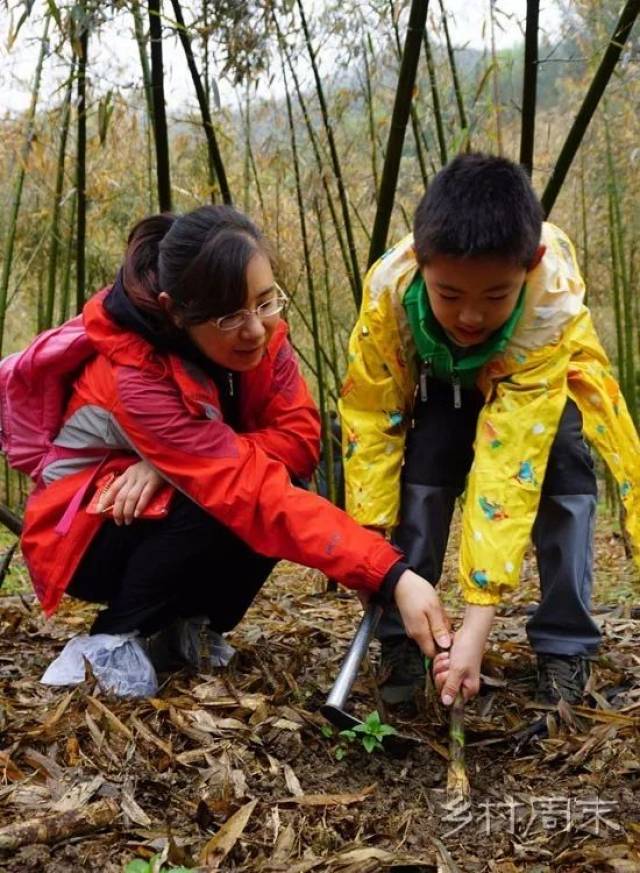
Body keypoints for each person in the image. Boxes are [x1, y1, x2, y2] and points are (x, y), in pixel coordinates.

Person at [20, 205, 452, 696]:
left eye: (265, 302)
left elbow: (299, 439)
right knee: (222, 498)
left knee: (272, 479)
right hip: (86, 532)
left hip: (160, 500)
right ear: (176, 311)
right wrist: (391, 573)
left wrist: (170, 467)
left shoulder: (266, 337)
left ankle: (191, 623)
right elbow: (246, 491)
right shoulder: (136, 375)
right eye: (229, 315)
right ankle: (116, 634)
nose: (255, 329)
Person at [339, 153, 640, 709]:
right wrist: (372, 549)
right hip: (441, 383)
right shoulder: (388, 291)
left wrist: (479, 620)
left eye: (495, 296)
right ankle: (405, 635)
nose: (471, 317)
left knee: (563, 470)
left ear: (531, 264)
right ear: (420, 259)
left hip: (540, 386)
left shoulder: (550, 298)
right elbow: (372, 418)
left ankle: (565, 647)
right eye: (449, 295)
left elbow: (509, 466)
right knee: (423, 468)